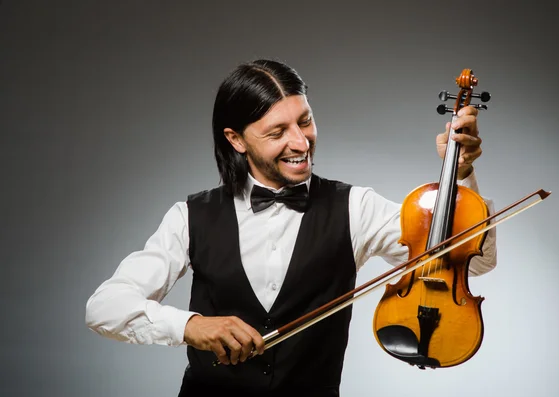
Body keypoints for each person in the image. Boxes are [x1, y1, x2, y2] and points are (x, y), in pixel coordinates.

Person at [85, 59, 497, 396]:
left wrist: (459, 174)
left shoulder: (356, 208)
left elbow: (471, 265)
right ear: (236, 139)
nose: (301, 143)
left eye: (305, 121)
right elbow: (104, 307)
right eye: (277, 132)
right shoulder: (191, 216)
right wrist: (191, 326)